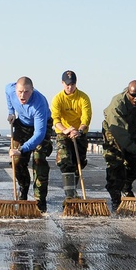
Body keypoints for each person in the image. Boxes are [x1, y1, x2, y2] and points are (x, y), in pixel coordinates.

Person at [6, 77, 54, 211]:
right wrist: (11, 112)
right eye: (20, 91)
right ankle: (24, 187)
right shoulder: (10, 90)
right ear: (15, 89)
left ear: (32, 90)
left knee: (38, 158)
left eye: (26, 92)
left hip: (41, 126)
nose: (22, 95)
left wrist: (22, 148)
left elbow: (39, 134)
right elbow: (7, 92)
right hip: (22, 125)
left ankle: (40, 200)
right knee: (15, 160)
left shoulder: (39, 103)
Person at [102, 81, 136, 210]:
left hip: (131, 130)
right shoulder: (117, 105)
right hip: (113, 131)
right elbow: (119, 134)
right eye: (133, 95)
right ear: (128, 92)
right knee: (115, 164)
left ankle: (126, 186)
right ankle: (115, 195)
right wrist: (135, 148)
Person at [51, 70, 92, 199]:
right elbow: (55, 119)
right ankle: (69, 195)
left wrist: (78, 131)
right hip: (64, 133)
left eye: (72, 84)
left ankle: (73, 190)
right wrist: (66, 130)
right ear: (62, 83)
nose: (70, 87)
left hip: (79, 132)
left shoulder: (83, 97)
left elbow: (86, 117)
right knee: (64, 160)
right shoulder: (58, 99)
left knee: (78, 163)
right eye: (67, 84)